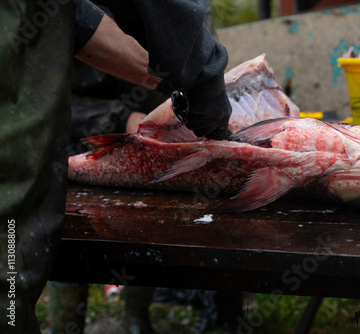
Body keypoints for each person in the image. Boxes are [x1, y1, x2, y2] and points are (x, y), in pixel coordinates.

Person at [0, 1, 231, 333]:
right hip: (63, 144)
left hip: (146, 141)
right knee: (46, 244)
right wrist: (121, 117)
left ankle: (136, 318)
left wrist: (175, 99)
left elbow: (74, 15)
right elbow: (42, 88)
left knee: (148, 224)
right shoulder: (40, 31)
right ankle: (67, 324)